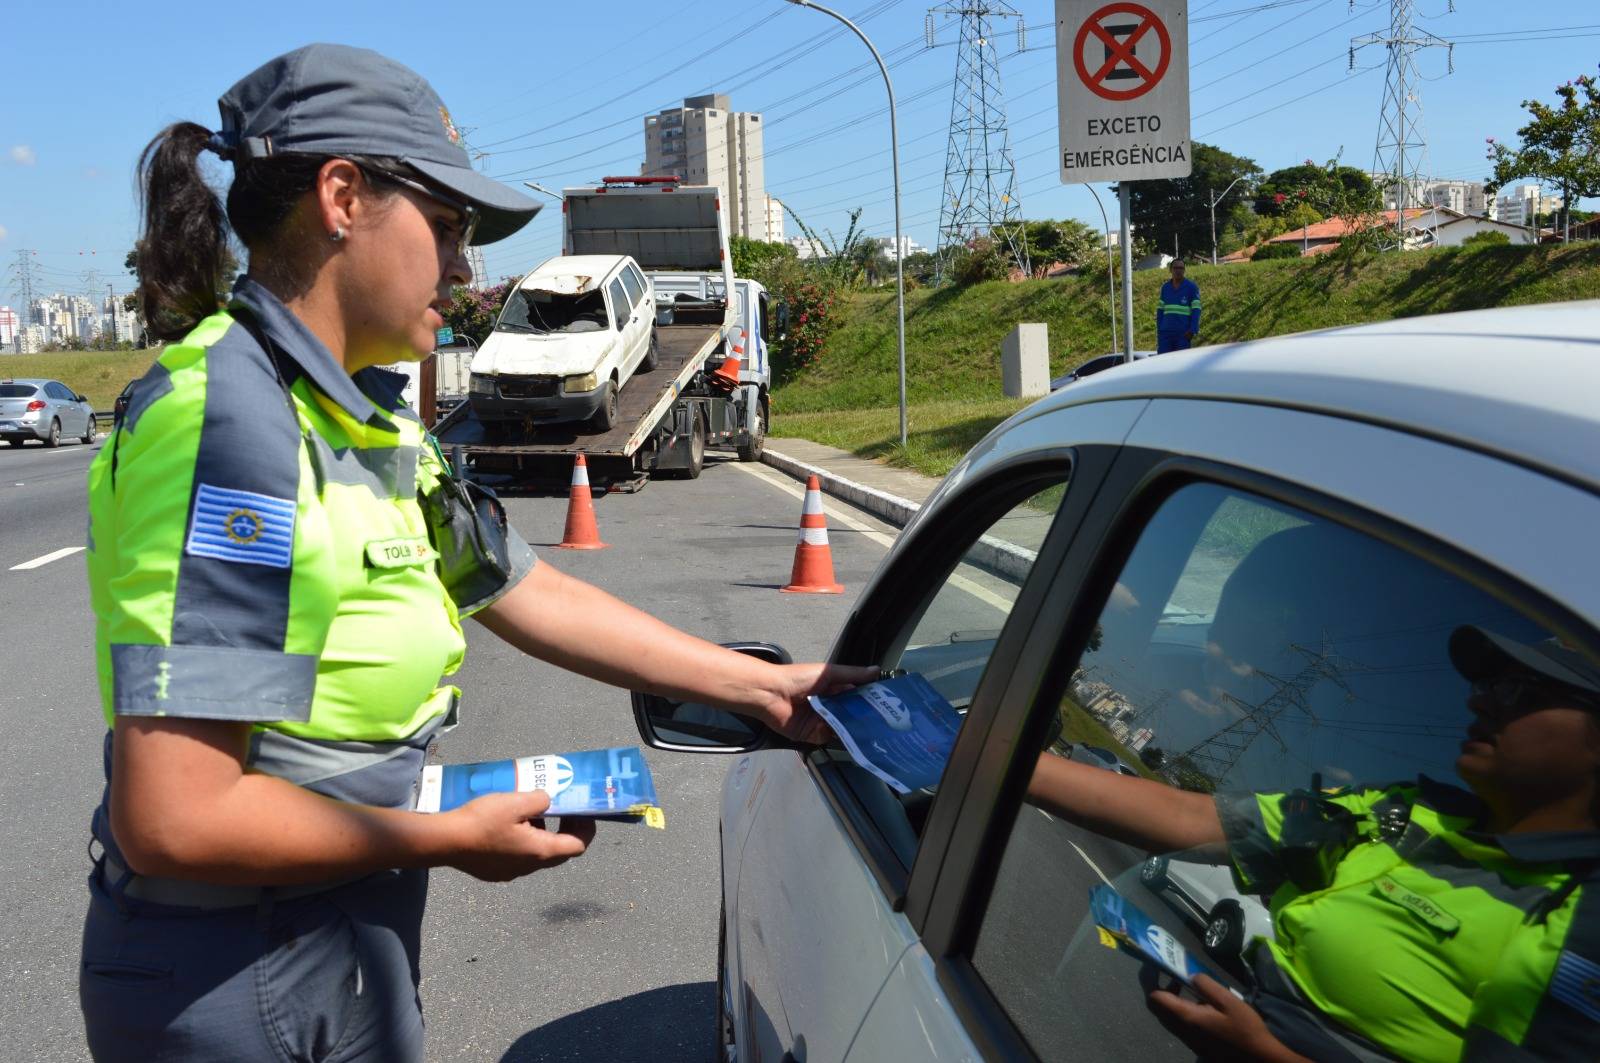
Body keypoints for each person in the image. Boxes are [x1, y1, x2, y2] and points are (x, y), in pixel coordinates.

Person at [80, 43, 873, 1062]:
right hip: (239, 963)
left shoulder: (360, 421)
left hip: (336, 926)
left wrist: (758, 688)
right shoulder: (234, 422)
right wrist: (451, 837)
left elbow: (521, 588)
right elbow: (176, 818)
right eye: (448, 230)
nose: (464, 270)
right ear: (341, 196)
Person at [1027, 623, 1600, 1062]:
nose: (1478, 700)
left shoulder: (1580, 919)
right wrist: (991, 757)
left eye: (1517, 689)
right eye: (1483, 684)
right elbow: (1191, 816)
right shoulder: (1399, 810)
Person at [1156, 258, 1201, 353]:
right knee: (1163, 363)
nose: (1178, 270)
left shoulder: (1191, 287)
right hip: (1166, 334)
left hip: (1183, 334)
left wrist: (1192, 330)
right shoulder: (1165, 288)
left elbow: (1196, 310)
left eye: (1181, 268)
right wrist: (1160, 330)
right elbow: (1160, 311)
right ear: (1170, 270)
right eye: (1175, 268)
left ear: (1184, 270)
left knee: (1181, 364)